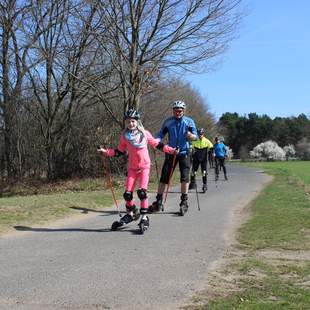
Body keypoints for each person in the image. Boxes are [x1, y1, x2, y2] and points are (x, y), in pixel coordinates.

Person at [97, 108, 176, 232]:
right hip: (132, 168)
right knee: (127, 194)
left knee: (142, 192)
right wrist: (105, 152)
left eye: (133, 121)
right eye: (128, 122)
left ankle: (144, 217)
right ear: (125, 123)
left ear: (137, 121)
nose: (130, 124)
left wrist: (171, 150)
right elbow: (119, 151)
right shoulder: (124, 136)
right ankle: (132, 212)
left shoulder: (144, 133)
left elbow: (157, 144)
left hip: (144, 167)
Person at [149, 100, 198, 215]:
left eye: (180, 111)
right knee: (164, 178)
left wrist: (192, 136)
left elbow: (196, 136)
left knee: (184, 178)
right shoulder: (168, 122)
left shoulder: (189, 122)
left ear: (183, 111)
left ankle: (184, 202)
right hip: (171, 153)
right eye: (176, 110)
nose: (178, 113)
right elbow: (161, 134)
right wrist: (156, 141)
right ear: (173, 111)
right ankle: (159, 201)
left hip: (184, 152)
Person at [189, 128, 213, 193]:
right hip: (196, 159)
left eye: (201, 134)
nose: (200, 135)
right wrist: (191, 151)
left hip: (204, 160)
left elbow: (211, 147)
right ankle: (192, 183)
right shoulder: (195, 140)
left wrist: (211, 153)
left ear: (203, 134)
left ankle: (204, 185)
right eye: (199, 134)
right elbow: (190, 146)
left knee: (204, 173)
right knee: (193, 172)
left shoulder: (206, 141)